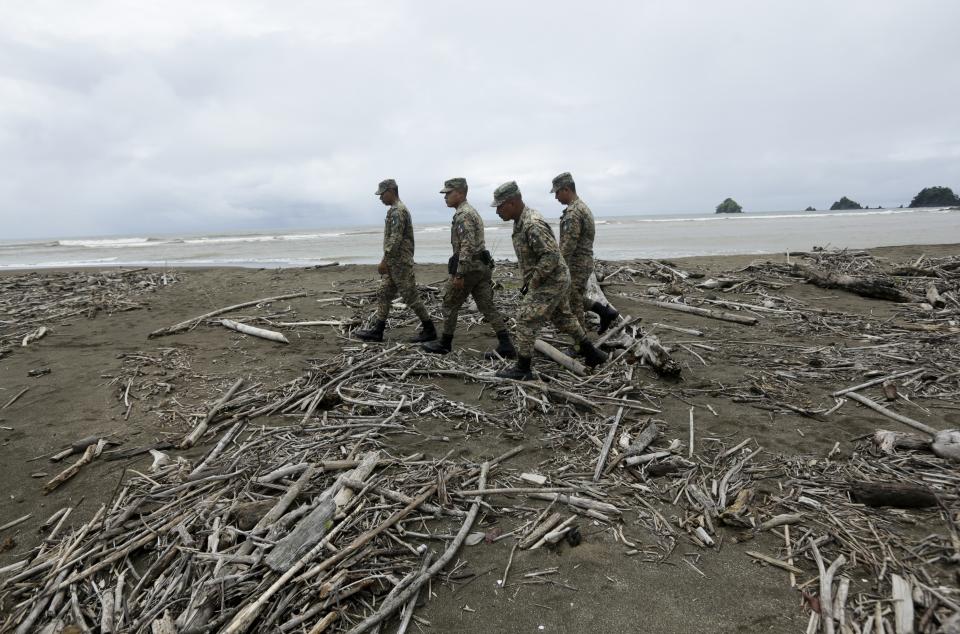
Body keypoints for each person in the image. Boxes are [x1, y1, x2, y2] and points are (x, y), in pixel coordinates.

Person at [491, 181, 607, 380]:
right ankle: (592, 354)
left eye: (500, 206)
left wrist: (533, 282)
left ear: (512, 202)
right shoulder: (521, 221)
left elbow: (551, 255)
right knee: (563, 317)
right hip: (556, 278)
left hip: (551, 280)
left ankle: (523, 368)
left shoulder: (531, 224)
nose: (497, 211)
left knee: (525, 318)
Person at [423, 178, 516, 358]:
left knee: (449, 303)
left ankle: (445, 343)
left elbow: (467, 245)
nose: (445, 197)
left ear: (460, 193)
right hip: (481, 267)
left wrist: (459, 273)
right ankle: (506, 344)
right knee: (486, 306)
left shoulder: (463, 214)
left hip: (470, 268)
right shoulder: (470, 211)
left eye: (449, 193)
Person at [354, 179, 437, 343]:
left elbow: (395, 238)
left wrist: (384, 260)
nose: (380, 198)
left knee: (410, 296)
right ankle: (378, 330)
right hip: (395, 263)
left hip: (399, 263)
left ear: (391, 191)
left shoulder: (398, 211)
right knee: (384, 293)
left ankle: (430, 329)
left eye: (382, 194)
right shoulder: (395, 210)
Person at [551, 172, 619, 333]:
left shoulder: (574, 212)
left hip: (576, 264)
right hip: (582, 262)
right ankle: (605, 312)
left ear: (566, 189)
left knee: (573, 303)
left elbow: (568, 245)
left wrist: (558, 267)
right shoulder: (582, 207)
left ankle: (581, 344)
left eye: (557, 192)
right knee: (574, 297)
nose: (555, 197)